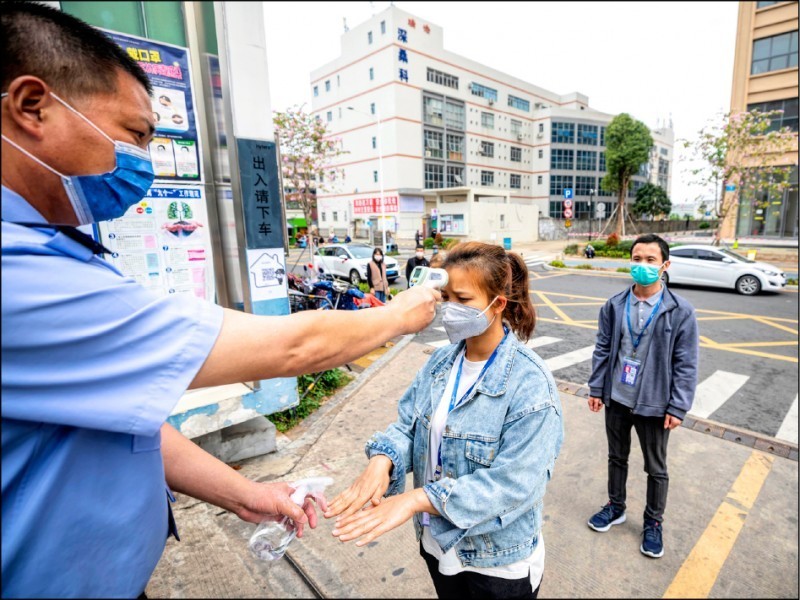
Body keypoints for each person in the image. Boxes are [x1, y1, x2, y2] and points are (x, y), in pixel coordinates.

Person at [0, 4, 440, 598]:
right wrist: (400, 314)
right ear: (33, 106)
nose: (141, 162)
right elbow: (293, 346)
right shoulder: (18, 275)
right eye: (133, 135)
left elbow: (120, 421)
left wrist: (247, 494)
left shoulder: (53, 245)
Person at [325, 242, 564, 600]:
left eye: (463, 300)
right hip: (438, 544)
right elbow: (408, 424)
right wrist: (383, 460)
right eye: (446, 296)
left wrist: (416, 499)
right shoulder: (440, 363)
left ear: (497, 304)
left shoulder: (531, 386)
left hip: (495, 560)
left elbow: (513, 484)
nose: (449, 309)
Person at [586, 233, 699, 559]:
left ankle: (653, 522)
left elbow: (686, 363)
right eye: (637, 259)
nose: (642, 266)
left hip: (654, 403)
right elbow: (603, 348)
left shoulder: (680, 312)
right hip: (617, 397)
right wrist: (596, 388)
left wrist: (678, 406)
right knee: (616, 457)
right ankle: (616, 507)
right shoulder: (615, 304)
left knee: (656, 467)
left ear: (665, 265)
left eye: (650, 260)